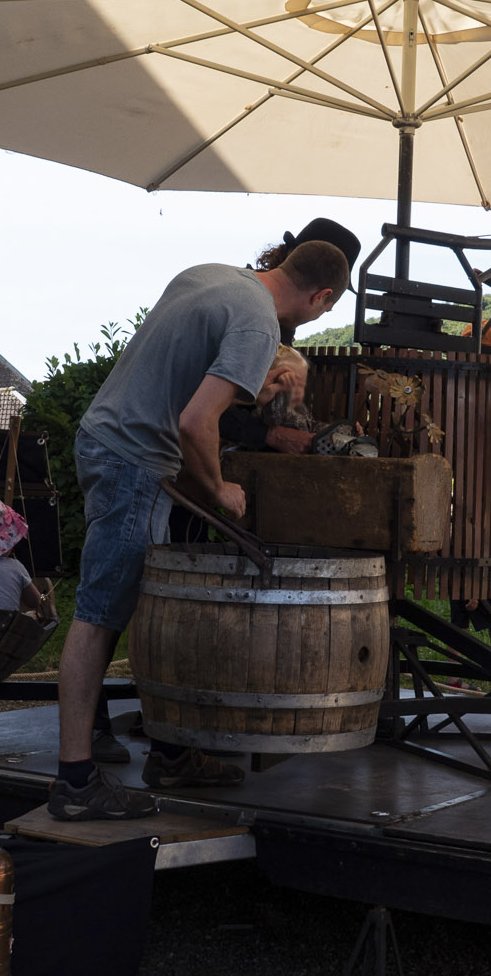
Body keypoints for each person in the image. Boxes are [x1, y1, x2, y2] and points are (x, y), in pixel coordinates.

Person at [50, 241, 351, 818]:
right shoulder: (260, 325)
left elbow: (178, 381)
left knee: (128, 609)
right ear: (321, 297)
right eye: (324, 310)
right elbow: (195, 421)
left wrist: (252, 391)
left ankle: (171, 752)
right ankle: (75, 783)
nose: (315, 318)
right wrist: (219, 490)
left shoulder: (214, 275)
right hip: (132, 459)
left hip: (111, 441)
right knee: (98, 616)